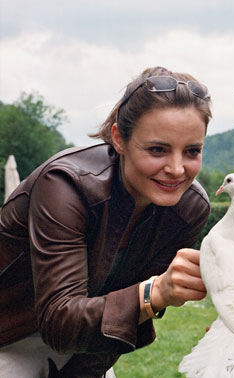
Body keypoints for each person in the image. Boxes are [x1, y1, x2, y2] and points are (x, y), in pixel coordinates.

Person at [0, 66, 211, 377]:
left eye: (192, 151)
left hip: (85, 342)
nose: (177, 169)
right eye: (157, 150)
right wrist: (155, 292)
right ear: (119, 139)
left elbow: (120, 319)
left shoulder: (189, 208)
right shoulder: (65, 184)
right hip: (9, 335)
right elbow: (59, 320)